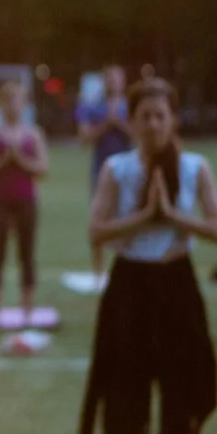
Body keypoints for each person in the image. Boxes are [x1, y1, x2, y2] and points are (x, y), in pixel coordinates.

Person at [80, 78, 217, 434]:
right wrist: (144, 217)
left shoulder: (195, 168)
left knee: (183, 387)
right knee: (125, 391)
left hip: (176, 283)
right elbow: (95, 231)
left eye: (160, 115)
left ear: (173, 120)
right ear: (131, 122)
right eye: (144, 116)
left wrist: (172, 216)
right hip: (130, 286)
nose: (152, 124)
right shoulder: (116, 169)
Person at [0, 78, 48, 324]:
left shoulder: (33, 134)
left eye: (17, 101)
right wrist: (3, 159)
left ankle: (27, 310)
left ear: (25, 105)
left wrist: (20, 159)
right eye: (8, 101)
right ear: (1, 104)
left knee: (26, 255)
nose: (13, 106)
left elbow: (43, 168)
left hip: (26, 201)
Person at [76, 65, 133, 279]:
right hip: (100, 173)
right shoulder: (92, 107)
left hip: (127, 172)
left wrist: (117, 123)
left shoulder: (130, 107)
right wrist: (104, 125)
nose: (112, 83)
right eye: (108, 78)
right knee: (98, 221)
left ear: (123, 81)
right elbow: (84, 139)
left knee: (128, 220)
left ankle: (125, 267)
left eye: (116, 78)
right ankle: (98, 272)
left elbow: (138, 135)